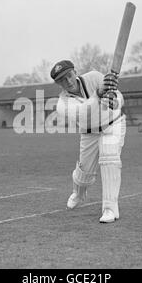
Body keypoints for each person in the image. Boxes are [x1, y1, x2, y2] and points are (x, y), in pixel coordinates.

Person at [50, 60, 126, 223]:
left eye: (69, 76)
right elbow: (84, 114)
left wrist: (115, 100)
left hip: (113, 124)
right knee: (84, 174)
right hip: (89, 132)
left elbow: (119, 96)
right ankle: (78, 194)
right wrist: (98, 95)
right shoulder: (62, 104)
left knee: (109, 158)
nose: (68, 81)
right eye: (63, 80)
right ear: (58, 84)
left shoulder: (94, 77)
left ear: (75, 72)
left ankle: (110, 209)